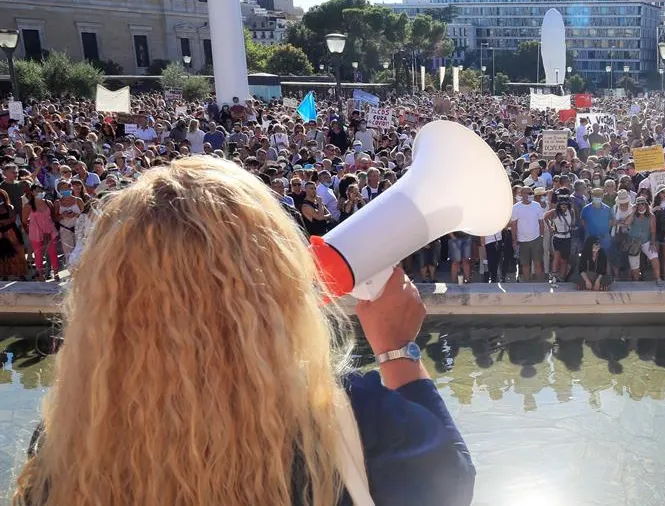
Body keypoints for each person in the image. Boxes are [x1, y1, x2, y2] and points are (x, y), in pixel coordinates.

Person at [13, 157, 474, 506]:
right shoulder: (346, 418)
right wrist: (396, 351)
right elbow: (448, 485)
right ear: (272, 281)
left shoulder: (62, 445)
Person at [22, 183, 60, 281]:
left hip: (50, 230)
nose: (39, 192)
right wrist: (33, 225)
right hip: (36, 232)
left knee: (53, 252)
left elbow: (53, 216)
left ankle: (55, 273)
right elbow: (24, 220)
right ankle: (40, 274)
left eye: (41, 190)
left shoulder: (48, 202)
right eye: (37, 190)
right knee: (38, 254)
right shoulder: (28, 205)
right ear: (32, 192)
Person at [624, 197, 662, 285]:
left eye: (643, 204)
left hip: (646, 241)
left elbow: (653, 231)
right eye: (638, 204)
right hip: (633, 242)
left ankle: (658, 278)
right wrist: (633, 212)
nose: (641, 206)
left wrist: (652, 243)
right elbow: (626, 223)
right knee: (634, 266)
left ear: (646, 205)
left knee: (654, 257)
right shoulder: (633, 215)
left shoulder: (651, 216)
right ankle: (637, 282)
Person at [510, 186, 545, 281]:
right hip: (522, 240)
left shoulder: (537, 205)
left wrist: (541, 236)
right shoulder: (516, 207)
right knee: (525, 264)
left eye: (531, 193)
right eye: (527, 193)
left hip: (536, 239)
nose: (529, 195)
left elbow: (541, 222)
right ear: (521, 194)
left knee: (537, 263)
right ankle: (527, 284)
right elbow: (514, 225)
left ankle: (538, 284)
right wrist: (514, 240)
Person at [544, 194, 574, 282]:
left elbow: (573, 222)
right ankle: (553, 275)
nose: (563, 205)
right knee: (556, 257)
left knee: (564, 259)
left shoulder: (571, 212)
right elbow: (544, 216)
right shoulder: (555, 212)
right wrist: (550, 227)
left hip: (567, 237)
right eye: (562, 204)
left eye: (565, 204)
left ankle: (562, 277)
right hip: (558, 237)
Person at [0, 188, 27, 280]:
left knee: (17, 252)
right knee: (2, 255)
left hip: (11, 233)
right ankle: (4, 274)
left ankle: (20, 273)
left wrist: (2, 222)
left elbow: (12, 219)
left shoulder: (9, 207)